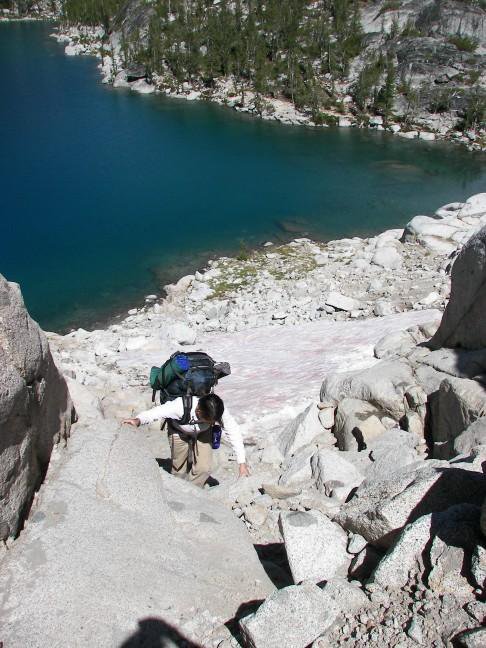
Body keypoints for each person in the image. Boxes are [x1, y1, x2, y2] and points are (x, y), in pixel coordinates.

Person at [123, 393, 249, 487]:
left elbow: (234, 432)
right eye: (210, 421)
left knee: (203, 468)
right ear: (198, 411)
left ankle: (194, 493)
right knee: (179, 469)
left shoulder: (218, 411)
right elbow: (156, 412)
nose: (214, 422)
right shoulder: (180, 406)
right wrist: (137, 420)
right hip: (178, 431)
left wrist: (242, 464)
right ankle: (177, 492)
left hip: (203, 433)